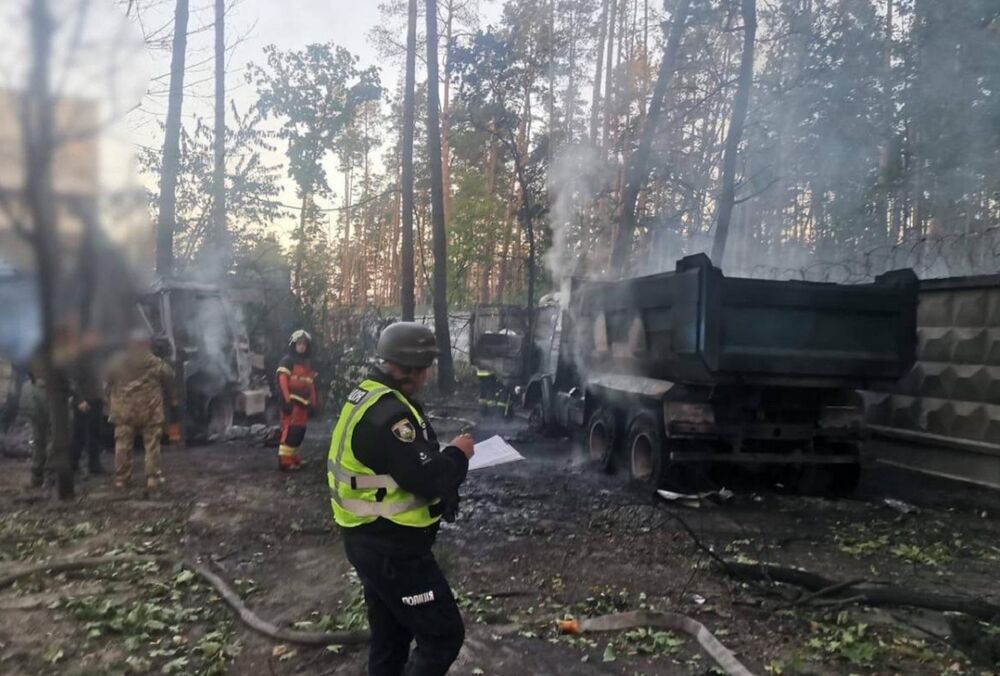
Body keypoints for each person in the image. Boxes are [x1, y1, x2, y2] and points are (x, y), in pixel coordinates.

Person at [327, 322, 474, 676]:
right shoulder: (390, 415)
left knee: (391, 637)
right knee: (443, 635)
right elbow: (425, 478)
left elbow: (404, 466)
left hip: (370, 539)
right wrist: (459, 454)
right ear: (411, 368)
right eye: (424, 369)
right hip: (392, 549)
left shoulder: (370, 394)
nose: (426, 376)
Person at [105, 329, 174, 490]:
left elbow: (107, 381)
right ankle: (152, 478)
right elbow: (169, 376)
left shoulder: (117, 361)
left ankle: (122, 479)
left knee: (122, 446)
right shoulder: (155, 362)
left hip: (124, 412)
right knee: (151, 446)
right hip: (150, 411)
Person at [275, 329, 317, 470]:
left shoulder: (307, 363)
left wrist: (313, 402)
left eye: (304, 344)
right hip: (292, 402)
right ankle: (285, 461)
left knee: (300, 431)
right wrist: (286, 401)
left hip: (303, 403)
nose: (301, 346)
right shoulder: (287, 361)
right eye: (299, 343)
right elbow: (282, 382)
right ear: (293, 345)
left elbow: (310, 384)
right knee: (290, 431)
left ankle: (294, 458)